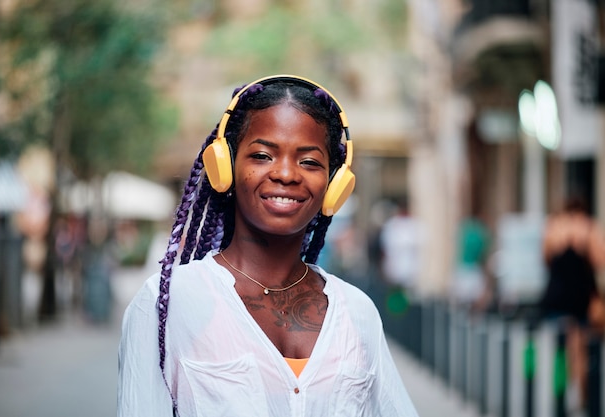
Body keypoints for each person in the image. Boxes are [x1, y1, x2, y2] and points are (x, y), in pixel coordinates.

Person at [117, 75, 419, 417]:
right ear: (225, 168)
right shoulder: (167, 304)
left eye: (309, 161)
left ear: (334, 185)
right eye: (262, 155)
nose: (287, 174)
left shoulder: (357, 312)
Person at [540, 195, 605, 409]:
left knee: (561, 347)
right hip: (580, 297)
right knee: (580, 351)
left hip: (557, 295)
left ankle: (560, 396)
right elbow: (601, 261)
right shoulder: (588, 227)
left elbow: (545, 258)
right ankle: (582, 397)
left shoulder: (553, 227)